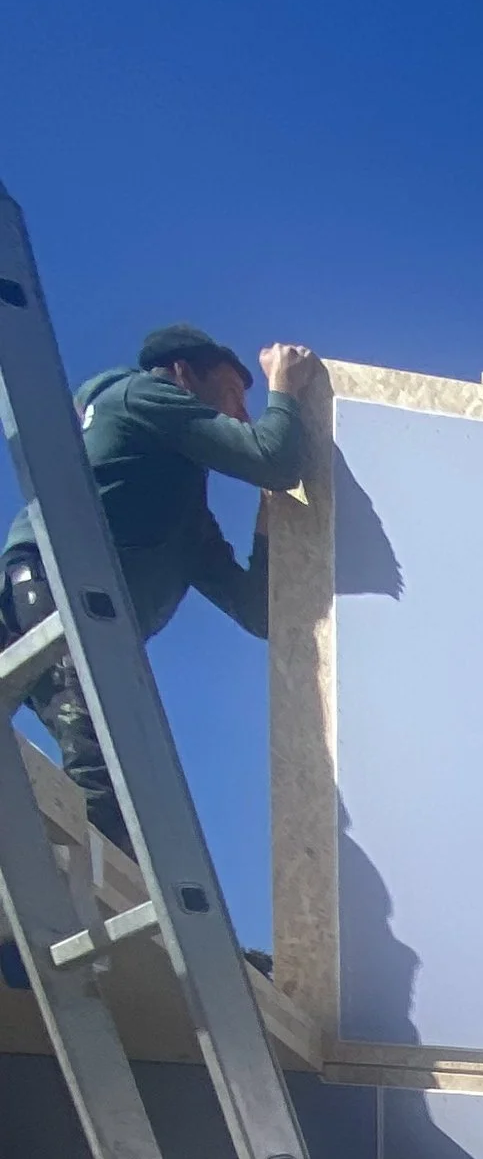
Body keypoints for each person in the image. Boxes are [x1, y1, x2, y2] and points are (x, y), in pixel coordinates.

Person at [0, 323, 318, 852]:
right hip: (51, 593)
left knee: (108, 782)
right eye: (233, 393)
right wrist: (283, 387)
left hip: (61, 609)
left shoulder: (180, 515)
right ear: (182, 374)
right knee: (105, 785)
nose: (242, 414)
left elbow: (259, 612)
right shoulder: (141, 395)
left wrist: (267, 520)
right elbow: (275, 458)